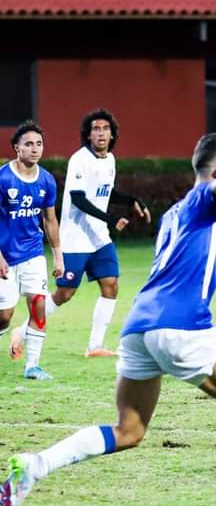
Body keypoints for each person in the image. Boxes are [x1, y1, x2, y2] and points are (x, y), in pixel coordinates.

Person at [1, 129, 216, 506]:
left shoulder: (175, 214)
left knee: (128, 431)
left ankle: (35, 465)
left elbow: (172, 287)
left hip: (140, 328)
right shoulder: (209, 196)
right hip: (177, 329)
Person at [10, 108, 151, 361]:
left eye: (106, 129)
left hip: (99, 238)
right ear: (88, 134)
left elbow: (105, 191)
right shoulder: (80, 159)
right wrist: (111, 218)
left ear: (112, 134)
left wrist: (131, 200)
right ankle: (22, 332)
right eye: (96, 129)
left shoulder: (110, 160)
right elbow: (78, 198)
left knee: (111, 284)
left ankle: (95, 345)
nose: (101, 133)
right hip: (75, 239)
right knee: (64, 294)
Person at [0, 122, 63, 380]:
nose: (35, 149)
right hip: (5, 255)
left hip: (33, 253)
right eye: (28, 144)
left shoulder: (46, 180)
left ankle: (32, 366)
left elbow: (50, 219)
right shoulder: (3, 178)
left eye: (39, 144)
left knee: (38, 305)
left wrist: (58, 255)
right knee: (4, 316)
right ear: (16, 148)